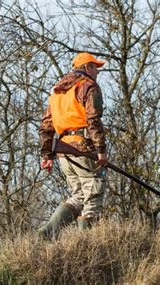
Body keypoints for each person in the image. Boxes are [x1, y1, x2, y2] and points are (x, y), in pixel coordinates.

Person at [37, 52, 108, 239]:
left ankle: (48, 232)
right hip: (84, 148)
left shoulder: (57, 92)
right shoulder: (88, 87)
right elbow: (93, 120)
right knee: (94, 193)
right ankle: (87, 247)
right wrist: (101, 150)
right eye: (95, 67)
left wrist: (47, 155)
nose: (97, 72)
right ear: (87, 68)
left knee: (79, 196)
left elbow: (46, 126)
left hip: (63, 152)